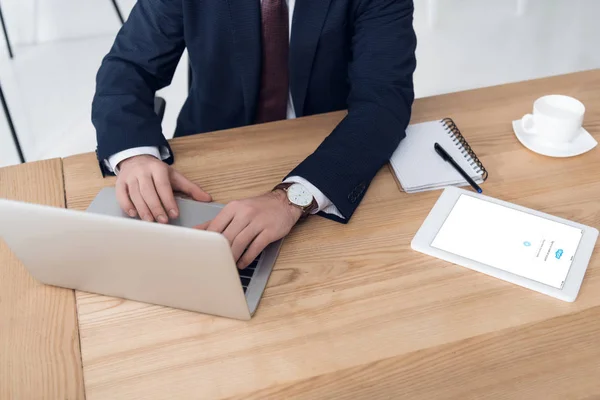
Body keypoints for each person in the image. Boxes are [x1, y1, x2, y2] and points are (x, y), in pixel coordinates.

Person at [92, 0, 417, 268]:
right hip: (206, 171)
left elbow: (383, 104)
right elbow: (128, 69)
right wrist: (135, 155)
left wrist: (291, 199)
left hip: (327, 163)